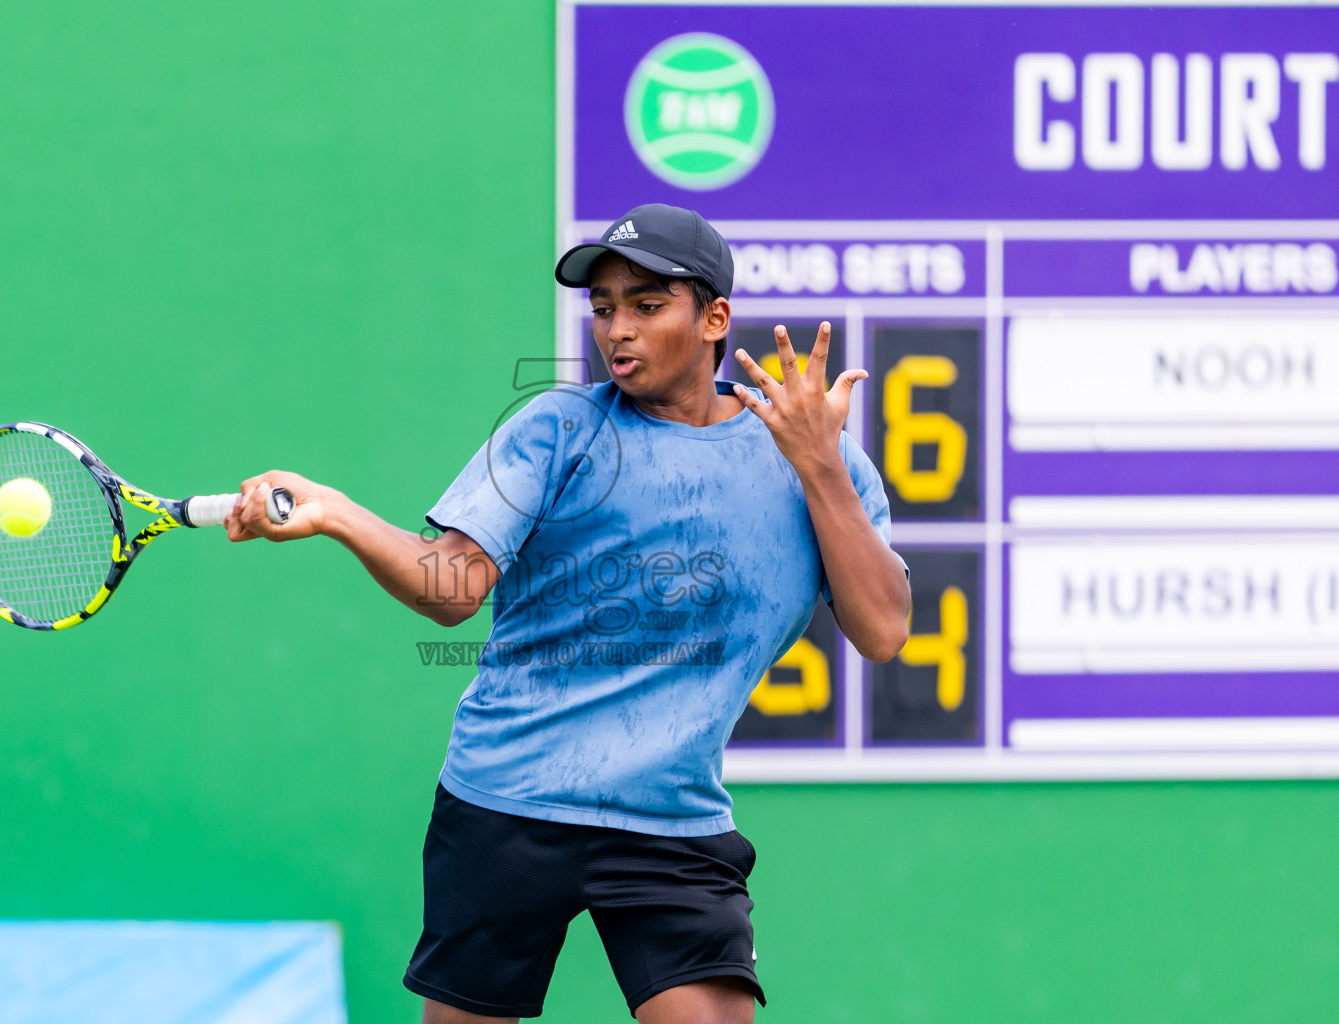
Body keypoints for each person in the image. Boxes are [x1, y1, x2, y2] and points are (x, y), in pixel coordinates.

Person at [225, 203, 911, 1023]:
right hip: (506, 801)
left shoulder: (817, 460)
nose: (617, 329)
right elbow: (453, 590)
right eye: (604, 307)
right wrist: (337, 512)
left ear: (714, 320)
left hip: (671, 814)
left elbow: (882, 629)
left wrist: (819, 467)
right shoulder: (559, 430)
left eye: (647, 305)